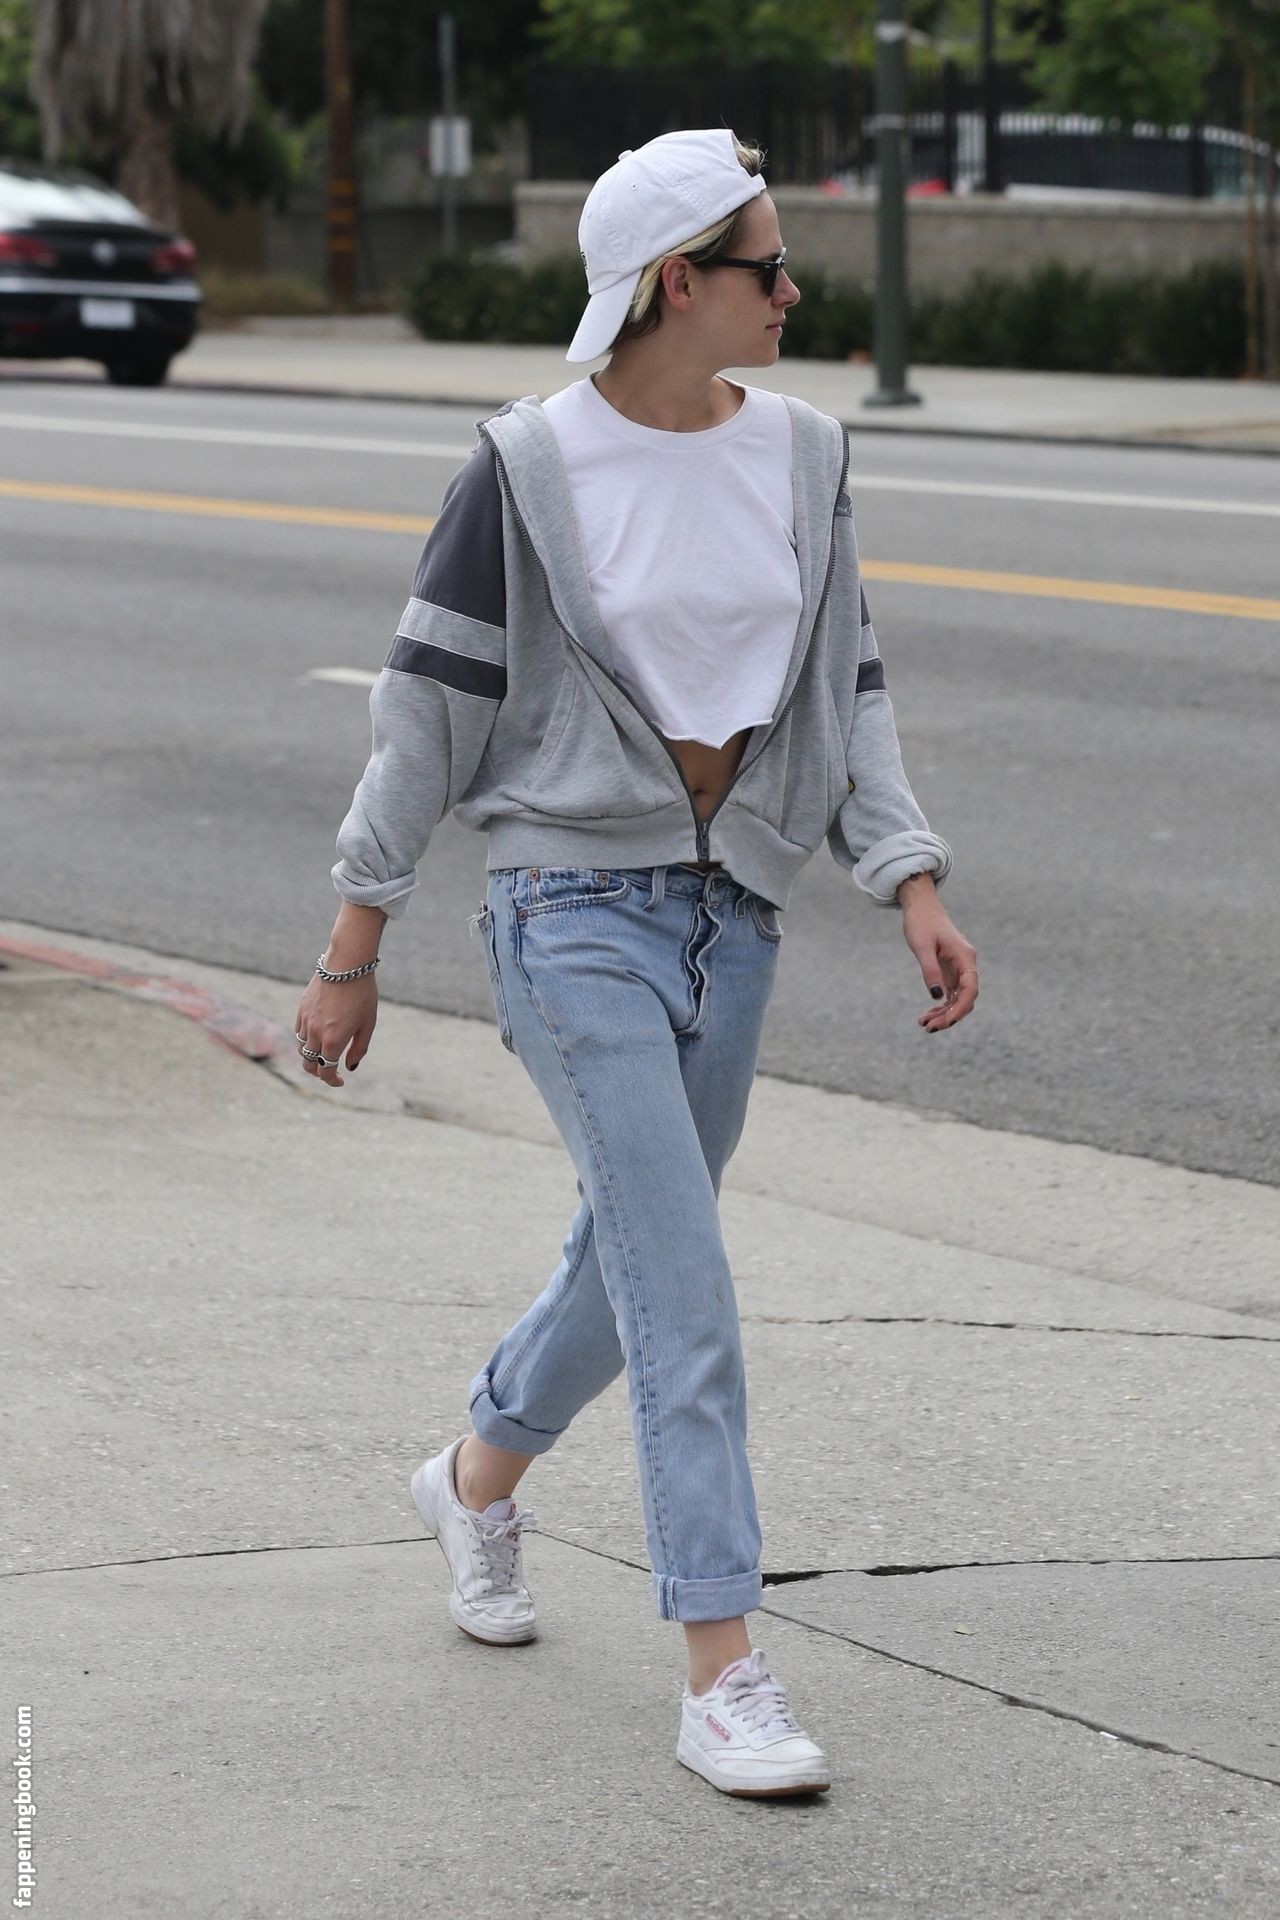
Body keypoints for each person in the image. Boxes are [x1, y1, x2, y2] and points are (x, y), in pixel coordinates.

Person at [293, 127, 979, 1799]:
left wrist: (906, 874)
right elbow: (427, 709)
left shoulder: (806, 454)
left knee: (630, 1260)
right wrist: (354, 941)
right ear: (678, 283)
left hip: (734, 912)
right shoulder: (527, 465)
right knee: (687, 1289)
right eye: (767, 265)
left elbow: (849, 684)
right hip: (566, 913)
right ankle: (722, 1669)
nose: (792, 290)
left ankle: (472, 1479)